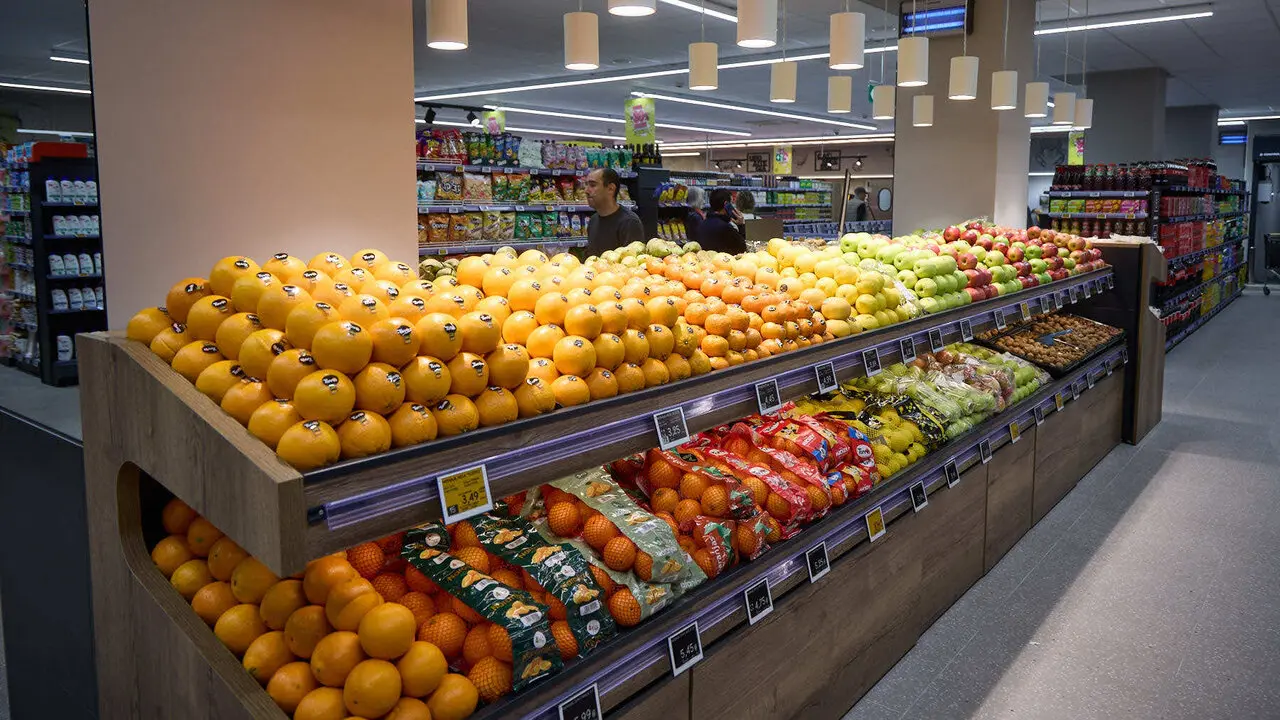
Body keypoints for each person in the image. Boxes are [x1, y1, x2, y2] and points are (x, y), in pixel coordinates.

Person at [585, 167, 645, 256]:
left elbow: (632, 263)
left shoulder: (629, 222)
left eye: (593, 185)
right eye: (586, 185)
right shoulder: (593, 220)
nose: (586, 191)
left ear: (610, 189)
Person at [696, 189, 747, 253]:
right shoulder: (726, 228)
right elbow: (743, 248)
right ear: (726, 204)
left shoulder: (702, 224)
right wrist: (741, 225)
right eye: (731, 204)